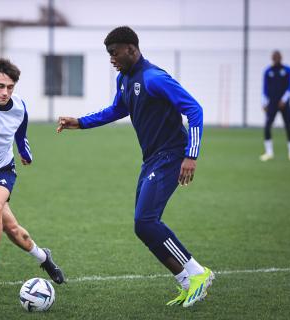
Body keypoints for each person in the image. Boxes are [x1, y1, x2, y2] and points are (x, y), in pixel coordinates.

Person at [57, 26, 213, 308]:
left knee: (145, 221)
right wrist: (79, 122)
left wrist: (191, 155)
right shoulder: (124, 80)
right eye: (108, 54)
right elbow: (117, 109)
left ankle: (198, 273)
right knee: (142, 226)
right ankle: (187, 282)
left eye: (114, 53)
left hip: (171, 155)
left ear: (131, 49)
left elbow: (195, 109)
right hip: (152, 159)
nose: (111, 59)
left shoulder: (154, 78)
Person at [0, 58, 65, 294]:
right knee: (13, 230)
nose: (5, 92)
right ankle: (44, 257)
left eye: (10, 87)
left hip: (2, 168)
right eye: (0, 86)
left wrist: (25, 153)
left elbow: (20, 134)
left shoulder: (19, 107)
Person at [260, 50, 290, 162]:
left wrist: (284, 100)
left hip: (284, 104)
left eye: (278, 56)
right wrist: (264, 102)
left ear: (281, 57)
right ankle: (269, 152)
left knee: (288, 126)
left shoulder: (287, 70)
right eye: (274, 57)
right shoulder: (268, 71)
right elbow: (265, 88)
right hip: (272, 103)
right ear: (272, 58)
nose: (276, 58)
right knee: (267, 127)